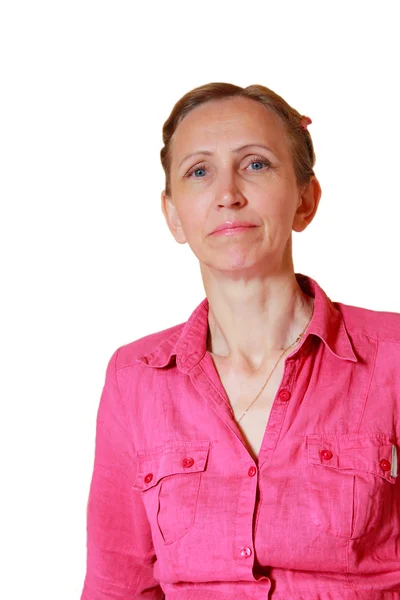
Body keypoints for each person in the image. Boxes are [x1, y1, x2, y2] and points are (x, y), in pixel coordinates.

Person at [80, 82, 400, 599]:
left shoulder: (392, 358)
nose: (228, 193)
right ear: (173, 215)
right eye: (199, 171)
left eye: (256, 164)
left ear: (305, 200)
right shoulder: (134, 377)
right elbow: (118, 585)